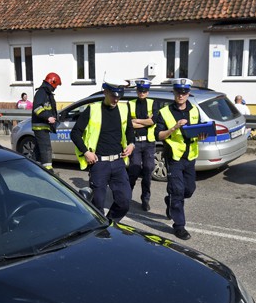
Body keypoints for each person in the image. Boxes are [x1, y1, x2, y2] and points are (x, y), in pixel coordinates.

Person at [71, 76, 135, 222]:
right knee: (97, 203)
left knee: (124, 200)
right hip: (99, 163)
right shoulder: (92, 109)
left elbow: (130, 131)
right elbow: (75, 133)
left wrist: (131, 144)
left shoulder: (124, 108)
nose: (116, 100)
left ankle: (110, 223)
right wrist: (86, 152)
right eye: (113, 96)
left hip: (118, 162)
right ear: (105, 91)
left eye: (119, 96)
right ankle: (99, 229)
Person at [154, 78, 205, 241]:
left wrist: (202, 135)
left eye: (184, 92)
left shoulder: (195, 110)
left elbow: (199, 129)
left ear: (188, 93)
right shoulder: (165, 112)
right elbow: (159, 135)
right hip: (174, 157)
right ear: (174, 92)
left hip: (190, 156)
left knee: (188, 190)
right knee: (177, 191)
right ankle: (179, 226)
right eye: (178, 92)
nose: (181, 95)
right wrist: (174, 127)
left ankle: (170, 201)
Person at [127, 79, 157, 212]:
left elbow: (153, 121)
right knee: (133, 171)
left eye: (144, 91)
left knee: (148, 170)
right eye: (140, 90)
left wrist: (137, 121)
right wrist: (146, 121)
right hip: (136, 142)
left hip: (149, 142)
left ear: (148, 92)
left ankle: (145, 199)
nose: (142, 93)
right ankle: (126, 197)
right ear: (137, 91)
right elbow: (129, 124)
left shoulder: (153, 103)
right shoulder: (130, 104)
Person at [31, 73, 61, 172]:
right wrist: (48, 117)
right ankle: (48, 170)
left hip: (43, 126)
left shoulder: (46, 93)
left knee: (39, 149)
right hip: (40, 126)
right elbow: (37, 108)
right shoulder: (42, 92)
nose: (56, 87)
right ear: (52, 82)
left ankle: (35, 168)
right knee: (46, 147)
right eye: (56, 85)